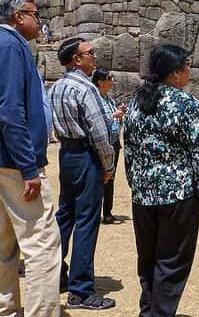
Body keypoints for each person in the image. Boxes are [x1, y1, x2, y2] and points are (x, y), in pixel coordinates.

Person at [0, 0, 61, 317]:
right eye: (35, 14)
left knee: (4, 238)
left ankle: (4, 308)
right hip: (14, 159)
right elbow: (11, 110)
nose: (40, 21)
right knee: (42, 242)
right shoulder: (10, 46)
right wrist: (29, 167)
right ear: (17, 17)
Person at [123, 44, 199, 316]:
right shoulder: (186, 103)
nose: (189, 70)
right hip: (177, 197)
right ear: (175, 73)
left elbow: (129, 148)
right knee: (172, 264)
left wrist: (136, 184)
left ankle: (148, 312)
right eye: (186, 65)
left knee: (148, 261)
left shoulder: (136, 102)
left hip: (143, 196)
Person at [49, 38, 117, 310]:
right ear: (76, 59)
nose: (95, 57)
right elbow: (99, 134)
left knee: (65, 217)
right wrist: (108, 166)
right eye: (90, 53)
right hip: (87, 156)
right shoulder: (86, 89)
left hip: (67, 155)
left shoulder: (56, 87)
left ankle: (53, 275)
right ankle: (81, 290)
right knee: (87, 221)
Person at [91, 67, 126, 224]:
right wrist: (113, 116)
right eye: (109, 78)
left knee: (110, 176)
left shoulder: (110, 100)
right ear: (100, 82)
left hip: (113, 142)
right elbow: (95, 121)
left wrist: (119, 112)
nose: (112, 81)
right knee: (98, 176)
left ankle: (107, 212)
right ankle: (94, 211)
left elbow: (114, 120)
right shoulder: (93, 100)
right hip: (101, 142)